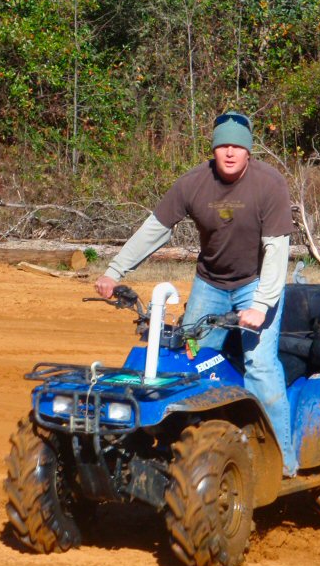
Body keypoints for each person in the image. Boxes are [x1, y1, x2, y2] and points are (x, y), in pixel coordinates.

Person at [94, 111, 299, 477]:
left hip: (256, 284)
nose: (230, 153)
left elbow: (276, 252)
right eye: (223, 146)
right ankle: (190, 449)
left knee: (261, 367)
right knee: (188, 364)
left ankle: (282, 461)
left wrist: (261, 305)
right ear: (214, 149)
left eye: (237, 146)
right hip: (210, 284)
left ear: (249, 151)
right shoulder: (193, 184)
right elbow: (153, 230)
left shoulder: (269, 185)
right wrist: (114, 271)